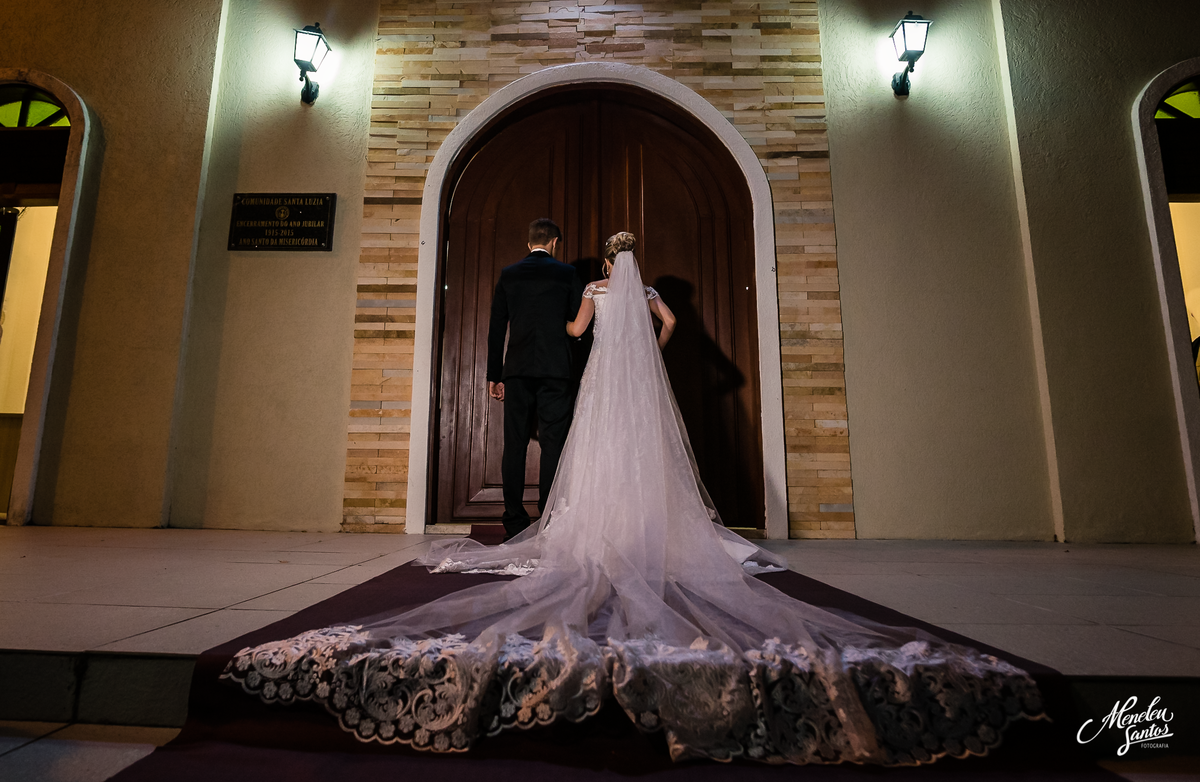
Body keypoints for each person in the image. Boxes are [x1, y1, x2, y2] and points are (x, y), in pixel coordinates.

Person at [223, 232, 1044, 765]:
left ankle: (582, 525)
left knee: (591, 456)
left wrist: (591, 329)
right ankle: (651, 526)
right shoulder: (645, 295)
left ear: (601, 261)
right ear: (637, 257)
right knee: (652, 457)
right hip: (641, 386)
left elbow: (577, 337)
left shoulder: (596, 293)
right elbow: (677, 329)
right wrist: (649, 344)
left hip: (601, 389)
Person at [487, 218, 584, 537]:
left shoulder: (509, 274)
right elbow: (577, 326)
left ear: (529, 243)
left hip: (516, 370)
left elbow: (497, 327)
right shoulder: (568, 274)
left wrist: (494, 374)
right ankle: (550, 519)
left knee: (513, 444)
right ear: (555, 242)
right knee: (553, 443)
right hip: (556, 370)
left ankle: (514, 521)